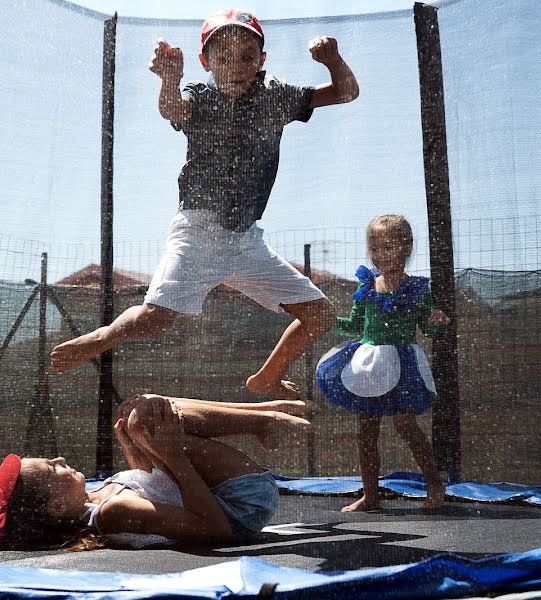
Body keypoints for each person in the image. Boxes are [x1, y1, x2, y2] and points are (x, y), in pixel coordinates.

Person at [50, 9, 359, 401]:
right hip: (198, 231)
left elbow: (346, 92)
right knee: (155, 319)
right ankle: (102, 336)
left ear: (262, 60)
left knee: (321, 315)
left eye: (247, 56)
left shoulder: (277, 97)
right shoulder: (201, 96)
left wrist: (333, 61)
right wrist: (169, 80)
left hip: (246, 240)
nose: (236, 67)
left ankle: (266, 378)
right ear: (206, 63)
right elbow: (173, 110)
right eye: (223, 58)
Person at [0, 394, 310, 550]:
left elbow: (155, 486)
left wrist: (136, 447)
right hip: (241, 505)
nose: (61, 460)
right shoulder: (112, 513)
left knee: (142, 410)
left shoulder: (97, 501)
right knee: (146, 415)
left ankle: (261, 414)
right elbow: (214, 529)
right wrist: (172, 455)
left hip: (223, 496)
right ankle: (262, 418)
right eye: (53, 470)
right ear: (52, 509)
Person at [315, 215, 451, 513]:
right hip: (369, 363)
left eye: (387, 247)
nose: (380, 255)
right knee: (366, 428)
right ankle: (371, 494)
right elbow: (353, 325)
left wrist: (437, 322)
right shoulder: (366, 287)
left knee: (405, 424)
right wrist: (327, 321)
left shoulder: (417, 289)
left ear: (406, 248)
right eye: (374, 249)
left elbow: (428, 329)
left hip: (402, 364)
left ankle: (435, 484)